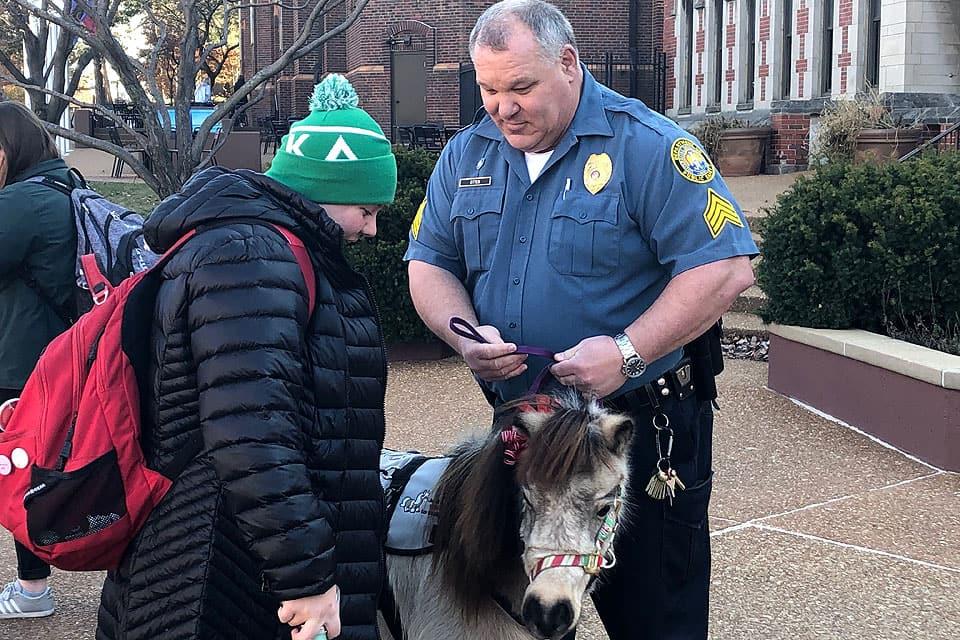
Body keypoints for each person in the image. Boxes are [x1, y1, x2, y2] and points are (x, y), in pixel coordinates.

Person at [404, 2, 757, 639]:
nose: (501, 107)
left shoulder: (647, 146)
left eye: (520, 87)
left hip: (634, 427)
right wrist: (463, 334)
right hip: (523, 429)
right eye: (487, 88)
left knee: (655, 618)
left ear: (569, 64)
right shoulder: (466, 154)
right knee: (529, 614)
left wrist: (626, 350)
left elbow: (726, 269)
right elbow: (428, 263)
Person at [96, 74, 396, 640]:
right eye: (366, 207)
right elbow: (252, 432)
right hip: (214, 567)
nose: (371, 228)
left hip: (226, 557)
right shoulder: (254, 257)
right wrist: (307, 577)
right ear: (326, 189)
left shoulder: (262, 249)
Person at [0, 101, 78, 620]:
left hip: (17, 361)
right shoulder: (65, 188)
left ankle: (32, 593)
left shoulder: (22, 203)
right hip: (49, 356)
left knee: (22, 475)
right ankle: (33, 589)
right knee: (28, 473)